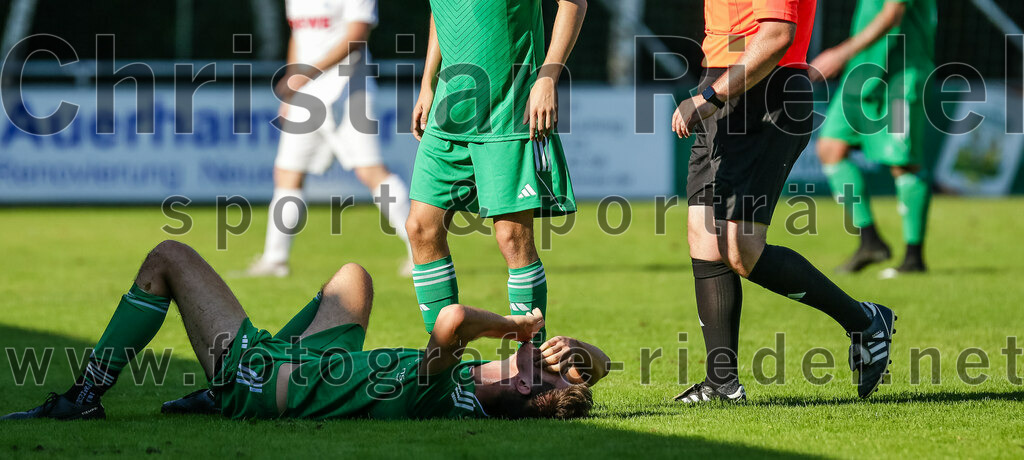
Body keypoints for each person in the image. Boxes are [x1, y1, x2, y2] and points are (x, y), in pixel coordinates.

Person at [670, 0, 896, 403]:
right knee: (705, 232)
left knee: (739, 248)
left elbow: (774, 38)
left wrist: (712, 96)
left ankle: (866, 321)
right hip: (731, 91)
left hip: (764, 96)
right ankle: (722, 385)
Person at [1, 240, 608, 421]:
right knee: (354, 277)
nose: (546, 351)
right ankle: (229, 381)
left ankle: (83, 399)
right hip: (320, 365)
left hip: (263, 379)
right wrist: (586, 356)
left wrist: (515, 325)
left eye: (546, 364)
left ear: (527, 389)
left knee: (167, 258)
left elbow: (452, 322)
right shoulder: (484, 388)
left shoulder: (454, 386)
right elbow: (602, 366)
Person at [393, 0, 588, 342]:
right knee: (421, 226)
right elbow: (440, 1)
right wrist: (428, 80)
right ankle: (444, 361)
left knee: (511, 240)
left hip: (507, 113)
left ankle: (530, 369)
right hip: (450, 111)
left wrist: (548, 75)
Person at [246, 0, 415, 278]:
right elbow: (299, 37)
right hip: (308, 98)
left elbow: (356, 38)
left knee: (372, 172)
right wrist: (293, 87)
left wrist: (302, 76)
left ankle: (420, 251)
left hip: (350, 93)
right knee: (286, 174)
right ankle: (275, 261)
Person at [810, 0, 936, 277]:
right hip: (864, 74)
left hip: (898, 73)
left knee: (903, 162)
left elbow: (893, 13)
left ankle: (914, 257)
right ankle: (871, 241)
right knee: (830, 148)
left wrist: (839, 52)